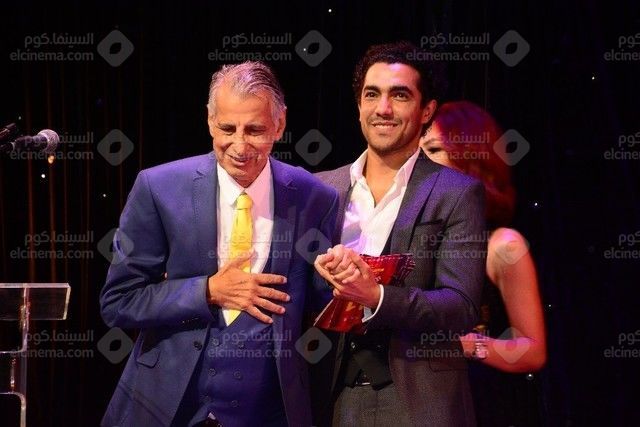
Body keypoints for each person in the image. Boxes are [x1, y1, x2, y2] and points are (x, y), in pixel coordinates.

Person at [99, 61, 338, 427]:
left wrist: (340, 279)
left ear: (280, 124)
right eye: (227, 128)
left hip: (269, 413)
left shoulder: (315, 197)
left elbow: (321, 306)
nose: (239, 146)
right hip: (165, 407)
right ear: (210, 121)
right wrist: (208, 291)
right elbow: (119, 302)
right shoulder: (158, 187)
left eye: (255, 130)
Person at [313, 42, 486, 427]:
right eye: (372, 94)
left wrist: (375, 296)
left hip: (418, 402)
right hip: (331, 398)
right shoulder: (320, 189)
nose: (383, 108)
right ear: (359, 106)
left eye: (400, 95)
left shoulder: (457, 193)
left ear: (426, 110)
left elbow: (461, 306)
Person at [421, 100, 546, 425]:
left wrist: (467, 345)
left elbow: (533, 351)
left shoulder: (503, 245)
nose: (420, 160)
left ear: (471, 158)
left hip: (481, 403)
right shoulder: (418, 239)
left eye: (433, 149)